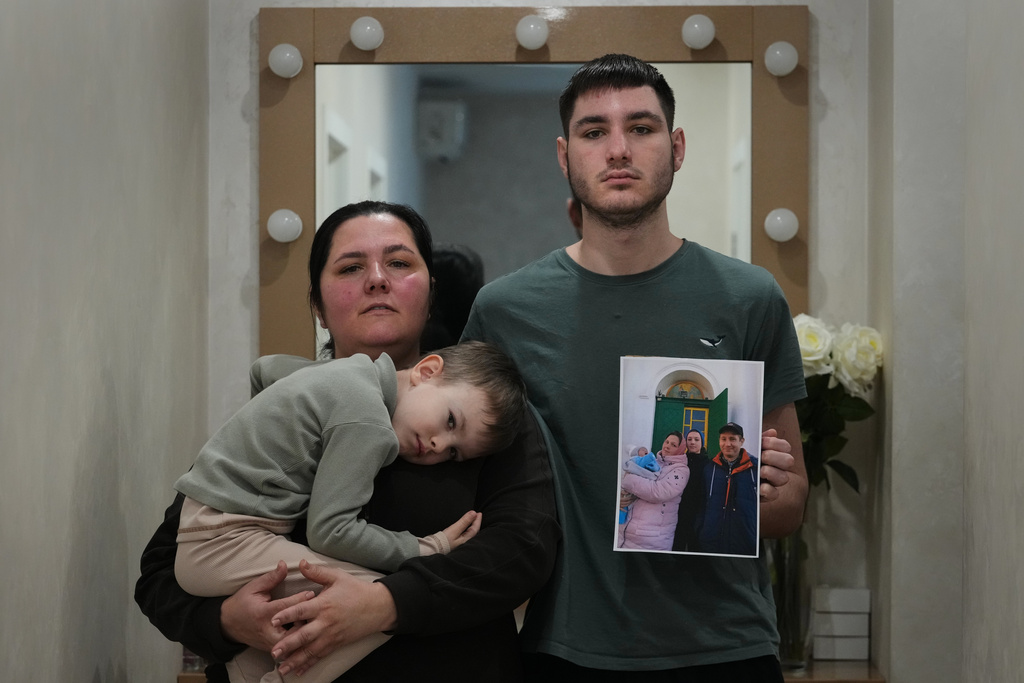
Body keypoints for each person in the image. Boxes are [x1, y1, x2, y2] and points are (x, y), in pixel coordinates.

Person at [453, 54, 808, 679]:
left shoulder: (750, 298)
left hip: (727, 646)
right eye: (594, 132)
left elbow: (788, 507)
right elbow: (470, 491)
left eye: (641, 128)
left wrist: (769, 487)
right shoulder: (505, 310)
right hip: (565, 646)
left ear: (676, 147)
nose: (618, 149)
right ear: (564, 156)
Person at [135, 201, 560, 683]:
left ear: (430, 293)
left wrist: (384, 604)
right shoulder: (286, 408)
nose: (377, 279)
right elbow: (160, 576)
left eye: (398, 262)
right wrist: (226, 621)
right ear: (318, 306)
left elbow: (522, 552)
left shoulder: (485, 412)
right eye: (351, 267)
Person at [174, 341, 528, 682]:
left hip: (205, 528)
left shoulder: (346, 372)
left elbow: (264, 369)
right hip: (222, 542)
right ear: (427, 370)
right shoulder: (368, 421)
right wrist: (428, 548)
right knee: (376, 601)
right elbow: (331, 532)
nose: (438, 445)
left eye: (453, 453)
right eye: (451, 421)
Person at [618, 432, 690, 551]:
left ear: (680, 450)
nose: (667, 446)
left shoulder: (681, 470)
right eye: (667, 442)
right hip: (629, 531)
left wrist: (627, 479)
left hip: (652, 538)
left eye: (673, 445)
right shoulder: (654, 462)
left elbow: (657, 492)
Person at [696, 422, 759, 557]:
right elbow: (702, 503)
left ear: (742, 441)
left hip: (744, 546)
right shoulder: (709, 468)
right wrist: (701, 531)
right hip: (710, 544)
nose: (727, 444)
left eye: (732, 439)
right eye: (723, 439)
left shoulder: (756, 469)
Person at [673, 428, 710, 552]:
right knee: (677, 544)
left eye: (696, 439)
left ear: (702, 442)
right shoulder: (680, 461)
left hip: (699, 512)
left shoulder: (709, 464)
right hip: (679, 510)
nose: (692, 442)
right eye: (689, 439)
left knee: (696, 545)